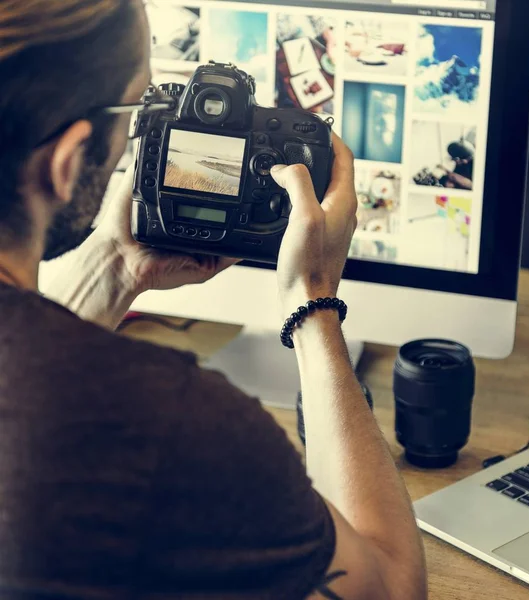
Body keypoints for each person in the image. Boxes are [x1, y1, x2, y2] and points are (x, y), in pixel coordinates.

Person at [0, 1, 427, 599]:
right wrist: (312, 300)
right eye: (137, 107)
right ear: (68, 161)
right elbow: (392, 586)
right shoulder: (169, 422)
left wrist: (118, 266)